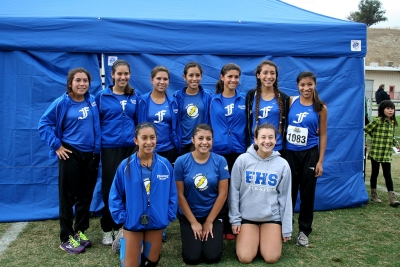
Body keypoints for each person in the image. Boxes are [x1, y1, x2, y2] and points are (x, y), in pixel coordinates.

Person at [38, 68, 101, 254]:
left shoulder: (93, 101)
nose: (82, 84)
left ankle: (80, 231)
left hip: (91, 155)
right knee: (67, 197)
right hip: (70, 154)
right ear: (70, 83)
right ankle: (65, 237)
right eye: (78, 80)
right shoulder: (61, 103)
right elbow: (43, 124)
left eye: (85, 80)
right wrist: (56, 146)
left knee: (85, 196)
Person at [109, 122, 178, 267]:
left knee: (150, 263)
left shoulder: (165, 165)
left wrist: (168, 214)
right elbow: (115, 194)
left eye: (152, 137)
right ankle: (124, 241)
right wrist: (122, 217)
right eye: (144, 138)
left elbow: (172, 193)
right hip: (133, 222)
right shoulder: (125, 165)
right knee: (132, 265)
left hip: (156, 222)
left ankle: (135, 248)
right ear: (136, 141)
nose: (149, 142)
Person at [229, 123, 292, 264]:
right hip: (248, 217)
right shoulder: (243, 160)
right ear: (255, 140)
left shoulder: (282, 165)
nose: (267, 141)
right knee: (245, 258)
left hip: (271, 217)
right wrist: (235, 219)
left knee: (271, 258)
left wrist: (286, 228)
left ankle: (263, 241)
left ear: (276, 140)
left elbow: (285, 198)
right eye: (263, 137)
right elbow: (234, 192)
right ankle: (252, 241)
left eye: (271, 137)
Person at [95, 60, 139, 246]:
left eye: (126, 74)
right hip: (110, 147)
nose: (123, 77)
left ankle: (124, 226)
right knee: (110, 188)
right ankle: (108, 228)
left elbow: (138, 122)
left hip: (130, 148)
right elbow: (96, 123)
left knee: (129, 186)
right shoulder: (101, 96)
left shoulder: (134, 95)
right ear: (112, 75)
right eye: (119, 74)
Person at [174, 124, 230, 265]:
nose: (204, 142)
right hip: (190, 215)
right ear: (193, 140)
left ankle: (213, 231)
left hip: (213, 214)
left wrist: (209, 221)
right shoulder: (181, 162)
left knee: (212, 257)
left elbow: (223, 193)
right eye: (200, 138)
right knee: (192, 258)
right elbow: (179, 194)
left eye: (208, 139)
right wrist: (193, 222)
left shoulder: (220, 161)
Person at [137, 66, 180, 242]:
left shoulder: (173, 101)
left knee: (163, 189)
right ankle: (146, 221)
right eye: (159, 79)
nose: (162, 82)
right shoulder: (143, 101)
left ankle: (161, 225)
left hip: (168, 150)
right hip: (148, 150)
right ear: (152, 80)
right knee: (147, 188)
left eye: (165, 79)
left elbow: (175, 126)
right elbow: (139, 127)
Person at [285, 71, 327, 247]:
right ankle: (286, 228)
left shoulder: (321, 108)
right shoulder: (291, 101)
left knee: (307, 193)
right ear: (298, 86)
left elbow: (323, 135)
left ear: (315, 85)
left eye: (309, 84)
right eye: (302, 85)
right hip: (290, 153)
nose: (306, 88)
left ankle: (304, 231)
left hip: (310, 153)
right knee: (288, 192)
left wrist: (320, 161)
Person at [209, 63, 247, 240]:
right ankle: (220, 224)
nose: (233, 80)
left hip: (239, 151)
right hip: (218, 152)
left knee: (236, 189)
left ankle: (235, 224)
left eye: (236, 77)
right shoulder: (212, 100)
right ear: (222, 77)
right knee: (220, 189)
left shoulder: (245, 100)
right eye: (230, 76)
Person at [246, 60, 289, 154]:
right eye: (265, 73)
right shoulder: (251, 96)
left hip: (276, 148)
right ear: (258, 75)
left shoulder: (284, 98)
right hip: (255, 148)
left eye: (272, 73)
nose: (269, 76)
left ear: (276, 76)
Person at [365, 100, 400, 207]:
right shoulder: (377, 121)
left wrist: (397, 144)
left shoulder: (392, 122)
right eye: (388, 108)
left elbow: (391, 136)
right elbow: (365, 130)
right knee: (374, 173)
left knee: (387, 174)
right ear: (382, 110)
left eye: (392, 108)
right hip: (376, 152)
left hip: (386, 153)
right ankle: (374, 194)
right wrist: (364, 143)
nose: (390, 111)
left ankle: (392, 197)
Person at [173, 62, 212, 154]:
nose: (194, 79)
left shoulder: (208, 96)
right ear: (184, 77)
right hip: (183, 144)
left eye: (197, 75)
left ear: (201, 76)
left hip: (201, 144)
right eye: (191, 75)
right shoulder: (176, 96)